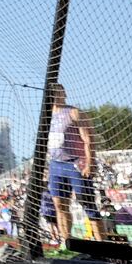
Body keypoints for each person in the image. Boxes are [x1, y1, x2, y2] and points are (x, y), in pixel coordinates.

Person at [45, 84, 106, 245]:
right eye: (52, 93)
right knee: (59, 205)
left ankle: (102, 244)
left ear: (64, 93)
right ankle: (66, 242)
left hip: (76, 164)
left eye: (58, 92)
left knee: (87, 204)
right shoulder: (46, 116)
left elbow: (88, 139)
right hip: (56, 165)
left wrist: (90, 162)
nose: (55, 95)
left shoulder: (74, 112)